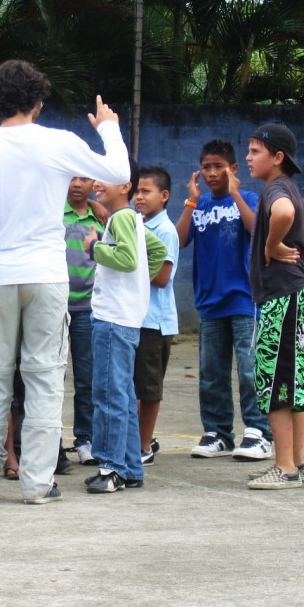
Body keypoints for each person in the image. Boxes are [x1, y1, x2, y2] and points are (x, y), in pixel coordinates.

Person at [0, 59, 130, 505]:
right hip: (47, 275)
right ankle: (38, 482)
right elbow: (119, 172)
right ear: (39, 102)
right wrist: (108, 127)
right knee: (44, 376)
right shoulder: (59, 143)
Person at [175, 140, 271, 461]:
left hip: (245, 300)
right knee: (212, 371)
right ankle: (218, 432)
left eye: (219, 167)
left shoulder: (249, 198)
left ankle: (258, 432)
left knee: (249, 368)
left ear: (233, 169)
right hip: (210, 303)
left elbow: (257, 230)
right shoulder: (198, 205)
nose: (213, 173)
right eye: (207, 167)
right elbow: (179, 240)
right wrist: (190, 201)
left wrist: (234, 194)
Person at [245, 124, 304, 489]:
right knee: (296, 381)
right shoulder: (288, 187)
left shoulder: (277, 189)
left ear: (277, 158)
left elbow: (287, 213)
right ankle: (296, 462)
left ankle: (285, 468)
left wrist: (273, 245)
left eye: (255, 151)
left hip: (284, 298)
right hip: (300, 295)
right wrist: (294, 244)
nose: (248, 158)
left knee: (274, 379)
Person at [81, 173, 166, 493]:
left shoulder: (120, 219)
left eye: (106, 180)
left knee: (107, 394)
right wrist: (138, 287)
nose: (97, 185)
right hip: (127, 317)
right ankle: (130, 468)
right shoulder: (132, 219)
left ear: (125, 186)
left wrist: (93, 248)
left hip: (113, 318)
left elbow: (129, 259)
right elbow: (154, 252)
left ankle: (111, 467)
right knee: (123, 395)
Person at [132, 166, 179, 466]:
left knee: (148, 389)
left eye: (146, 191)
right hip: (135, 318)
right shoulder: (136, 224)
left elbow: (162, 277)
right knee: (133, 385)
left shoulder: (165, 230)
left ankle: (143, 445)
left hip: (155, 322)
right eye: (136, 191)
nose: (139, 197)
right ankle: (137, 438)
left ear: (164, 196)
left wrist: (127, 261)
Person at [62, 176, 108, 468]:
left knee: (86, 378)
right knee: (51, 377)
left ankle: (85, 439)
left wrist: (95, 205)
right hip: (55, 305)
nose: (77, 183)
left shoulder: (102, 218)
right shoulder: (55, 211)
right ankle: (50, 438)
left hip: (88, 307)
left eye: (84, 178)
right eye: (72, 177)